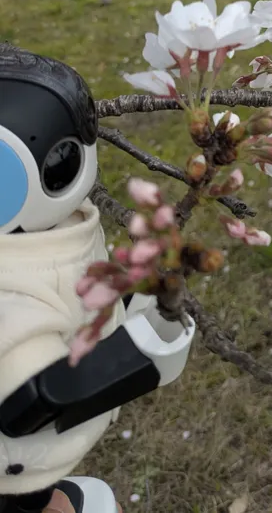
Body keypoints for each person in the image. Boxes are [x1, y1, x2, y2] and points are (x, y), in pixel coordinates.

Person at [0, 47, 194, 513]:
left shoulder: (58, 232)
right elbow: (34, 398)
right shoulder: (11, 293)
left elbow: (84, 287)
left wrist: (136, 303)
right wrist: (146, 355)